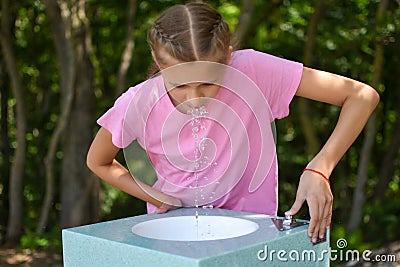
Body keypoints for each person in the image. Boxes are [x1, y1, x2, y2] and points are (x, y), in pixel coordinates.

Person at [86, 2, 379, 244]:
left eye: (207, 84)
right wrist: (157, 196)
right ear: (156, 60)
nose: (194, 99)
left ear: (227, 56)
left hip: (253, 236)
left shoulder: (252, 71)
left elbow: (361, 96)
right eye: (179, 86)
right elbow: (99, 162)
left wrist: (319, 169)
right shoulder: (138, 103)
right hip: (172, 238)